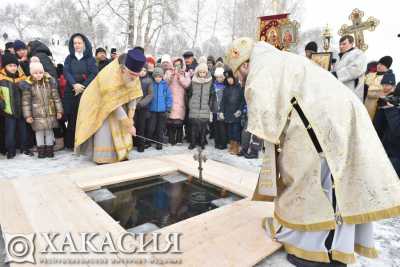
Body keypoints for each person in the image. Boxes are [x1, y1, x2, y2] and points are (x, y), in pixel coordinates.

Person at [226, 37, 400, 266]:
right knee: (337, 180)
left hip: (319, 124)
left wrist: (258, 137)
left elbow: (263, 118)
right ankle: (337, 248)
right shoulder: (281, 58)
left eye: (239, 73)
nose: (241, 79)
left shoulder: (260, 68)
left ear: (245, 64)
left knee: (310, 181)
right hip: (340, 115)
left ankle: (317, 251)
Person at [75, 48, 146, 164]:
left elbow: (134, 95)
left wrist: (131, 118)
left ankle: (121, 153)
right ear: (123, 69)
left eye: (136, 77)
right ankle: (104, 157)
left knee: (122, 124)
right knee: (106, 127)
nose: (134, 79)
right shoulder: (109, 76)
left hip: (118, 102)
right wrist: (128, 124)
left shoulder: (134, 75)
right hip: (98, 102)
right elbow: (114, 105)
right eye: (132, 76)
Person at [21, 57, 63, 158]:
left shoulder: (49, 82)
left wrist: (59, 111)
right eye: (35, 73)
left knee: (49, 131)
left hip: (49, 112)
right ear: (31, 73)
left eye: (40, 72)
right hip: (37, 114)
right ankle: (41, 151)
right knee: (39, 133)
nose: (38, 75)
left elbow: (56, 98)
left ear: (43, 72)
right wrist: (28, 116)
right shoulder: (29, 86)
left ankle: (49, 150)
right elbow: (26, 102)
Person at [63, 33, 98, 149]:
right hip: (71, 91)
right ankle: (71, 143)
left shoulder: (90, 59)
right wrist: (74, 84)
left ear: (84, 44)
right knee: (72, 118)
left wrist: (82, 86)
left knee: (83, 118)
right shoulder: (69, 58)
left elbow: (93, 73)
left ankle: (83, 143)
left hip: (85, 91)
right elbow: (66, 72)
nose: (77, 45)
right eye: (75, 43)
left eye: (79, 43)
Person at [0, 53, 31, 159]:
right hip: (8, 111)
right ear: (5, 67)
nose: (13, 68)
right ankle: (10, 150)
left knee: (23, 130)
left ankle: (24, 148)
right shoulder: (1, 79)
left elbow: (28, 90)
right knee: (10, 132)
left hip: (21, 110)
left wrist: (24, 84)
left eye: (15, 65)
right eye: (10, 66)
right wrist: (2, 104)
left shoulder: (22, 78)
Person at [373, 74, 400, 176]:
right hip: (385, 152)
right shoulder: (388, 105)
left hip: (395, 156)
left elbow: (397, 130)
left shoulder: (392, 110)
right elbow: (377, 129)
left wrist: (392, 110)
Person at [332, 35, 367, 101]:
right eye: (340, 44)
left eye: (344, 44)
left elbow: (356, 69)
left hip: (352, 91)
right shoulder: (340, 57)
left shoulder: (358, 54)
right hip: (339, 91)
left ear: (351, 44)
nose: (341, 46)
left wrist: (337, 74)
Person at [165, 58, 191, 145]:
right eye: (175, 65)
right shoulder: (169, 72)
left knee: (179, 121)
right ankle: (171, 139)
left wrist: (180, 76)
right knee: (171, 121)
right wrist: (172, 75)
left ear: (182, 65)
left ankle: (179, 139)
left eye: (179, 65)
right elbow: (166, 82)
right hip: (171, 98)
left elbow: (187, 84)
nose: (177, 66)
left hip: (180, 100)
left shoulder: (185, 74)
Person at [187, 63, 212, 150]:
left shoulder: (209, 82)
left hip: (205, 107)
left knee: (203, 128)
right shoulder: (193, 81)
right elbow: (189, 94)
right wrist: (190, 104)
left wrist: (209, 105)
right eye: (200, 72)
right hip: (194, 107)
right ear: (197, 72)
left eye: (204, 72)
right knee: (193, 128)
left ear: (206, 73)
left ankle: (202, 143)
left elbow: (211, 95)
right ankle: (192, 143)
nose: (202, 74)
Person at [220, 70, 244, 155]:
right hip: (228, 113)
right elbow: (223, 101)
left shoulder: (239, 88)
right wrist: (221, 112)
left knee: (236, 131)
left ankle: (236, 147)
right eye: (228, 79)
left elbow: (242, 101)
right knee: (230, 131)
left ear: (234, 78)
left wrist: (240, 110)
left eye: (231, 78)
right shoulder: (226, 89)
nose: (229, 80)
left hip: (236, 114)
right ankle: (231, 145)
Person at [148, 67, 173, 150]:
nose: (158, 78)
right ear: (153, 77)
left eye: (159, 76)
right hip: (152, 110)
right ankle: (149, 141)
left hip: (162, 111)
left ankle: (159, 143)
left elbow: (169, 97)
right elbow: (149, 96)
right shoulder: (151, 85)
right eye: (156, 76)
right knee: (151, 127)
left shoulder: (165, 85)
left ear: (162, 77)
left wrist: (168, 108)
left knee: (160, 128)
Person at [134, 65, 153, 152]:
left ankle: (141, 145)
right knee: (134, 125)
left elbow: (150, 95)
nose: (142, 72)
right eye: (141, 70)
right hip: (133, 106)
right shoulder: (134, 79)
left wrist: (141, 104)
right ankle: (134, 142)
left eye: (144, 70)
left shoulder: (148, 81)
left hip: (142, 107)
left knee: (141, 126)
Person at [209, 67, 227, 149]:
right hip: (215, 110)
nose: (219, 79)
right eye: (217, 77)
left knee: (222, 127)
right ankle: (217, 142)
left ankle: (223, 143)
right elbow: (211, 98)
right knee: (216, 127)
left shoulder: (226, 86)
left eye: (221, 77)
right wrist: (210, 109)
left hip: (222, 110)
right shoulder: (213, 86)